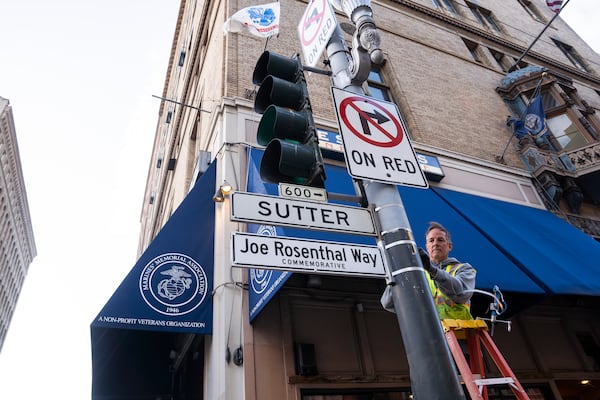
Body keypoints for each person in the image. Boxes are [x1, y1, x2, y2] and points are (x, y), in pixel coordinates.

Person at [381, 221, 476, 320]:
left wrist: (432, 270)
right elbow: (388, 302)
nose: (435, 244)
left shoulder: (464, 269)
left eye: (440, 240)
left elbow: (461, 294)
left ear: (449, 246)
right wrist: (401, 269)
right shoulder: (417, 273)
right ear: (427, 246)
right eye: (431, 240)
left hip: (459, 333)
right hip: (429, 334)